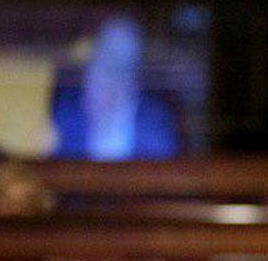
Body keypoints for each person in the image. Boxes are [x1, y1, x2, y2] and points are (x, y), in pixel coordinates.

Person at [50, 15, 179, 160]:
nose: (112, 75)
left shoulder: (153, 121)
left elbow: (160, 172)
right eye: (106, 57)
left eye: (124, 64)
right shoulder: (65, 113)